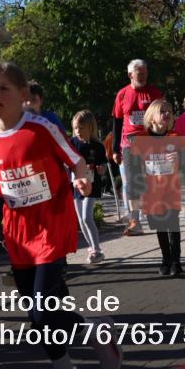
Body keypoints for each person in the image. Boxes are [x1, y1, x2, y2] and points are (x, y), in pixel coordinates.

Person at [0, 62, 122, 369]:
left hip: (52, 227)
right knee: (41, 314)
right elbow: (10, 181)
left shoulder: (42, 129)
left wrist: (83, 180)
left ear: (23, 95)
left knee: (42, 313)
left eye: (3, 88)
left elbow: (75, 162)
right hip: (18, 234)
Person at [128, 99, 185, 275]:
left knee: (172, 224)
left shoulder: (176, 137)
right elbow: (133, 166)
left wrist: (178, 159)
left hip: (171, 190)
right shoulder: (141, 139)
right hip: (151, 192)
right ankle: (166, 259)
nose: (167, 114)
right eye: (162, 111)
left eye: (169, 110)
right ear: (152, 117)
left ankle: (176, 262)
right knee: (159, 226)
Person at [112, 59, 163, 235]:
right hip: (129, 143)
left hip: (151, 141)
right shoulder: (122, 94)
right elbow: (117, 122)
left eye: (145, 72)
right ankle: (135, 221)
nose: (143, 76)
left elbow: (164, 118)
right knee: (133, 182)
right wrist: (114, 149)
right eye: (139, 73)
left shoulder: (154, 92)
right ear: (130, 75)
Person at [70, 110, 108, 264]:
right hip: (76, 185)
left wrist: (101, 169)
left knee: (87, 217)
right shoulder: (72, 143)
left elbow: (103, 164)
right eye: (76, 128)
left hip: (91, 185)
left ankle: (98, 250)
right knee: (81, 220)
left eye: (82, 128)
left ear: (90, 128)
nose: (78, 131)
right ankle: (92, 248)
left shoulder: (97, 146)